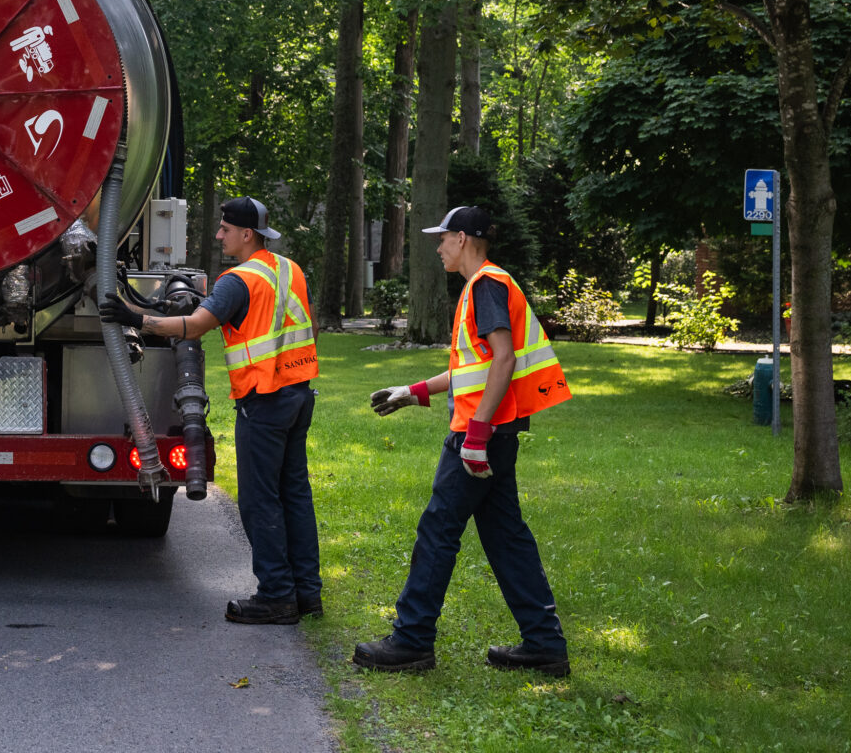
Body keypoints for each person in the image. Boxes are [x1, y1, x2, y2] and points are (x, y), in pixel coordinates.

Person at [353, 205, 572, 676]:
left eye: (443, 238)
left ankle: (411, 641)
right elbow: (472, 368)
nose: (438, 247)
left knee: (438, 531)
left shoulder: (486, 285)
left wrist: (476, 435)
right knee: (507, 537)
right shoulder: (488, 284)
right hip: (496, 432)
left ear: (464, 240)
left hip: (480, 436)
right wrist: (412, 392)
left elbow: (504, 359)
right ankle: (544, 645)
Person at [100, 196, 321, 624]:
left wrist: (135, 317)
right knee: (295, 494)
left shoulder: (239, 280)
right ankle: (307, 593)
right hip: (297, 393)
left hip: (263, 400)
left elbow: (196, 325)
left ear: (247, 234)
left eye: (225, 229)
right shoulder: (288, 269)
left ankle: (276, 596)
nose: (219, 235)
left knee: (260, 501)